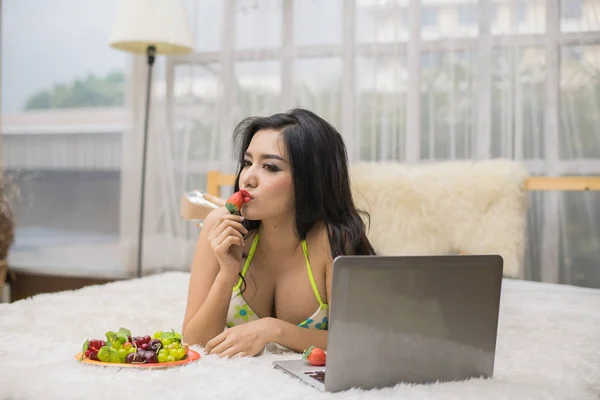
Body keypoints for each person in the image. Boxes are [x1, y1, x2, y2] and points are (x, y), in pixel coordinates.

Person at [182, 108, 376, 358]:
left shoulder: (331, 240)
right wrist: (227, 274)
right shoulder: (218, 225)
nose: (248, 179)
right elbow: (195, 342)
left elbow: (356, 341)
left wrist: (274, 330)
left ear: (310, 179)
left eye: (270, 167)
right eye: (247, 162)